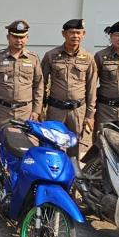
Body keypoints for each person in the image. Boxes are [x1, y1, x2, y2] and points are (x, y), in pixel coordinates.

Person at [0, 20, 44, 152]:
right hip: (1, 110)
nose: (19, 40)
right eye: (15, 36)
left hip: (25, 111)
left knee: (27, 144)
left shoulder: (33, 58)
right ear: (8, 37)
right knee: (0, 144)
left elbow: (38, 85)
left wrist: (36, 110)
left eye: (22, 37)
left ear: (27, 38)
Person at [42, 19, 97, 158]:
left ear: (83, 34)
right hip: (55, 109)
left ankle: (73, 171)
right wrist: (40, 109)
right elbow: (41, 84)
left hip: (77, 111)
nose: (75, 36)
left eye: (78, 33)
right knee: (52, 144)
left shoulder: (88, 58)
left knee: (74, 147)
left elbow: (91, 88)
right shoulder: (51, 55)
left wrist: (89, 115)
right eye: (72, 32)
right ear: (64, 34)